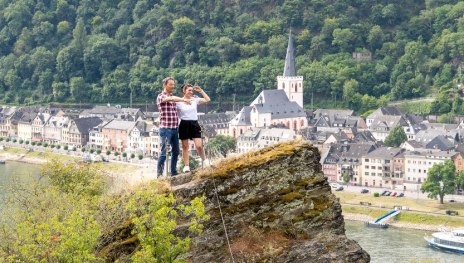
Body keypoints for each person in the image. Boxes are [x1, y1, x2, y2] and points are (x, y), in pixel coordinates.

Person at [156, 76, 191, 177]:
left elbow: (175, 100)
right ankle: (159, 175)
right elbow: (171, 99)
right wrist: (183, 100)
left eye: (173, 85)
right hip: (165, 129)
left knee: (176, 151)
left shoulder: (172, 96)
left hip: (174, 128)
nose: (173, 86)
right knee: (163, 153)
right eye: (171, 84)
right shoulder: (161, 96)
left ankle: (173, 172)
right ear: (165, 85)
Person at [176, 83, 211, 172]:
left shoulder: (194, 100)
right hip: (184, 124)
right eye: (189, 90)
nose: (191, 92)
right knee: (185, 146)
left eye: (192, 90)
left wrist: (201, 91)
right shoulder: (179, 102)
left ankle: (205, 161)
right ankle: (186, 166)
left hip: (194, 123)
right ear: (184, 91)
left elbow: (207, 99)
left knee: (199, 145)